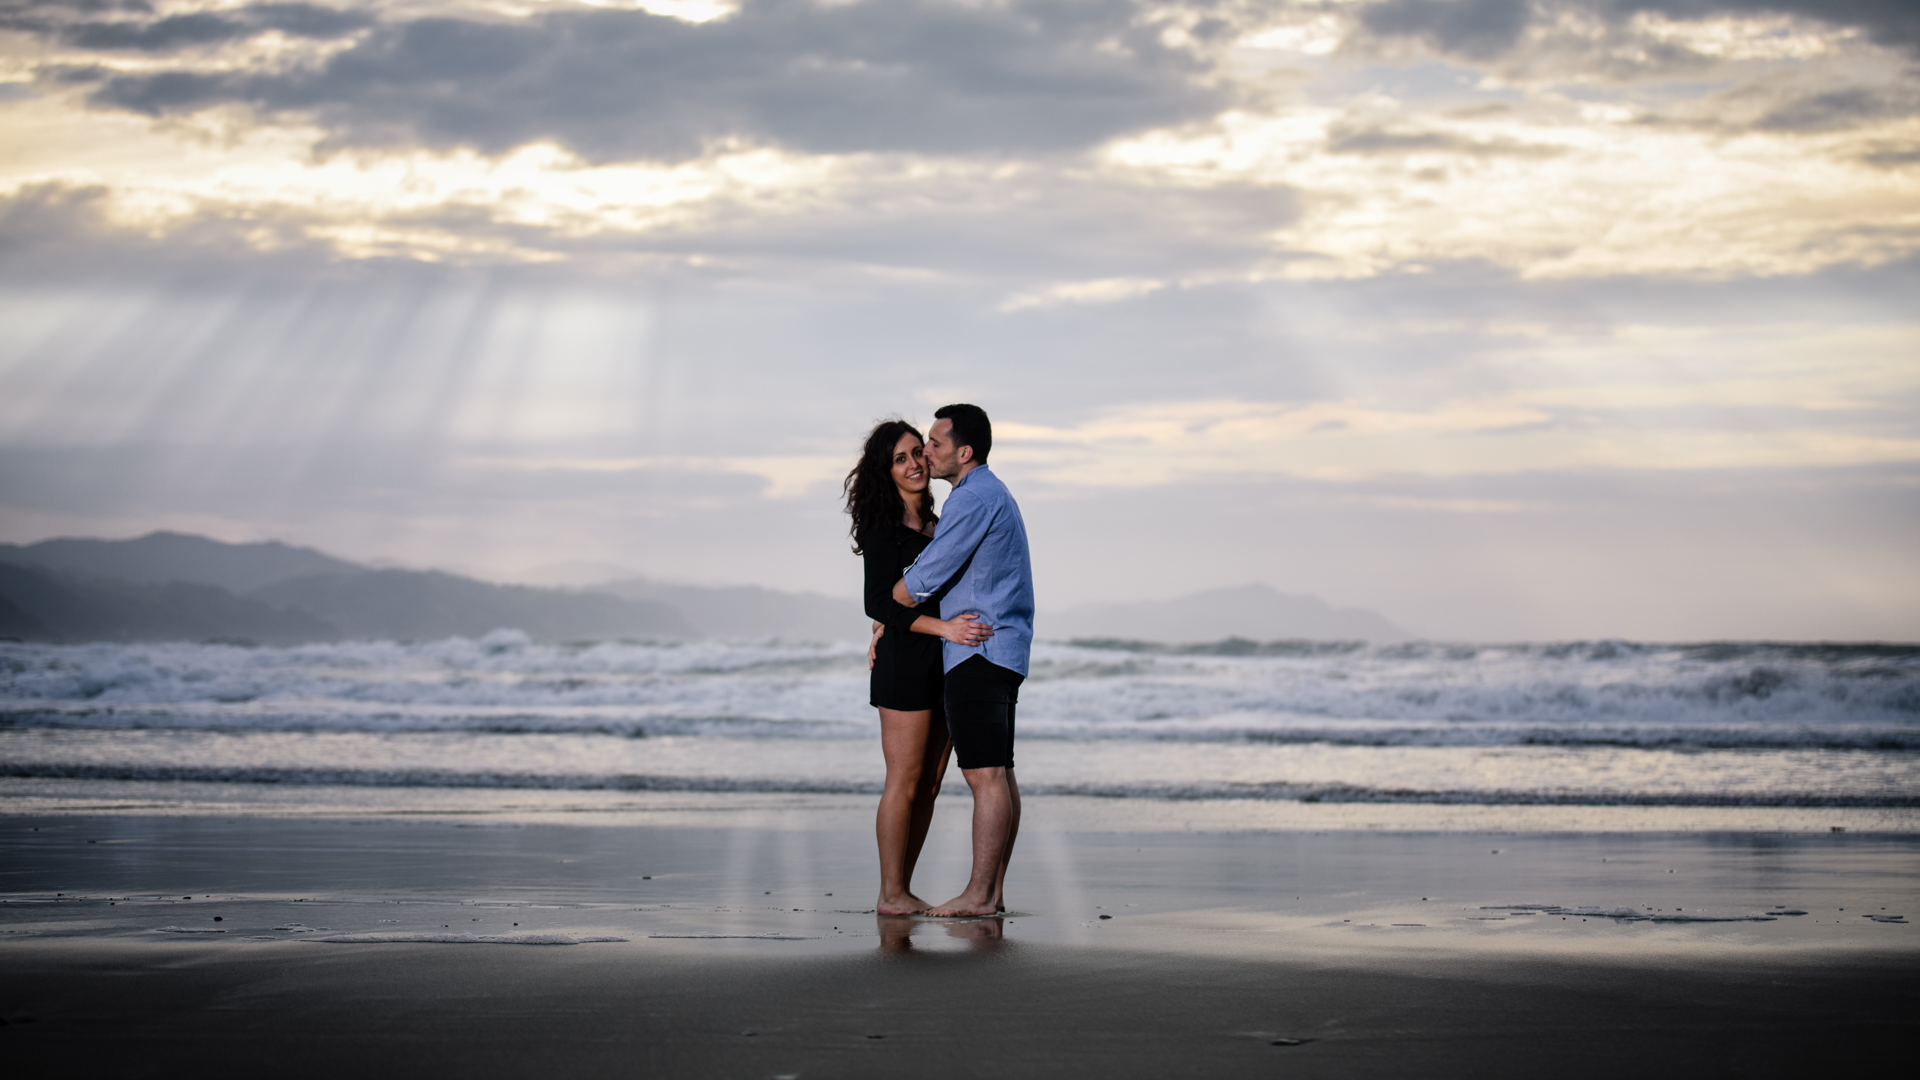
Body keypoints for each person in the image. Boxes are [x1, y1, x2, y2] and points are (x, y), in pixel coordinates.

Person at [844, 419, 994, 916]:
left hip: (943, 663)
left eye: (917, 453)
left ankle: (902, 888)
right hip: (906, 664)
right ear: (885, 471)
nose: (913, 464)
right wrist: (940, 628)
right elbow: (877, 602)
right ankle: (889, 892)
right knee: (903, 781)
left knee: (930, 783)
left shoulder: (940, 521)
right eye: (900, 459)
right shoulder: (882, 526)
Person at [890, 403, 1034, 919]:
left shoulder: (972, 498)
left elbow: (930, 573)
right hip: (1002, 647)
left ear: (963, 452)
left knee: (984, 776)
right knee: (1000, 773)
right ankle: (991, 894)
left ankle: (978, 894)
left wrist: (894, 599)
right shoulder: (991, 492)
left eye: (934, 443)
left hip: (978, 648)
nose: (926, 452)